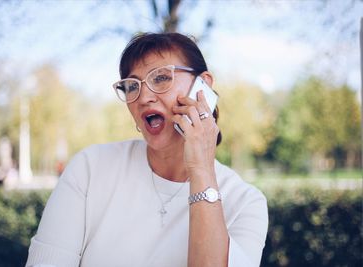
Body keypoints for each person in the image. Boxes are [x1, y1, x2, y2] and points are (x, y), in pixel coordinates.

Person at [26, 32, 268, 267]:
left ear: (202, 85)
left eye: (161, 78)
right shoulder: (90, 168)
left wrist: (201, 170)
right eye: (132, 86)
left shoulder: (246, 203)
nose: (143, 97)